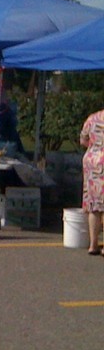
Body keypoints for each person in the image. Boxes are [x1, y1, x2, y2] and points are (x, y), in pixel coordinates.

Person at [80, 106, 104, 254]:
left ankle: (93, 245)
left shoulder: (92, 118)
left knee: (94, 205)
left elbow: (83, 140)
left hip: (92, 162)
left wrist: (96, 147)